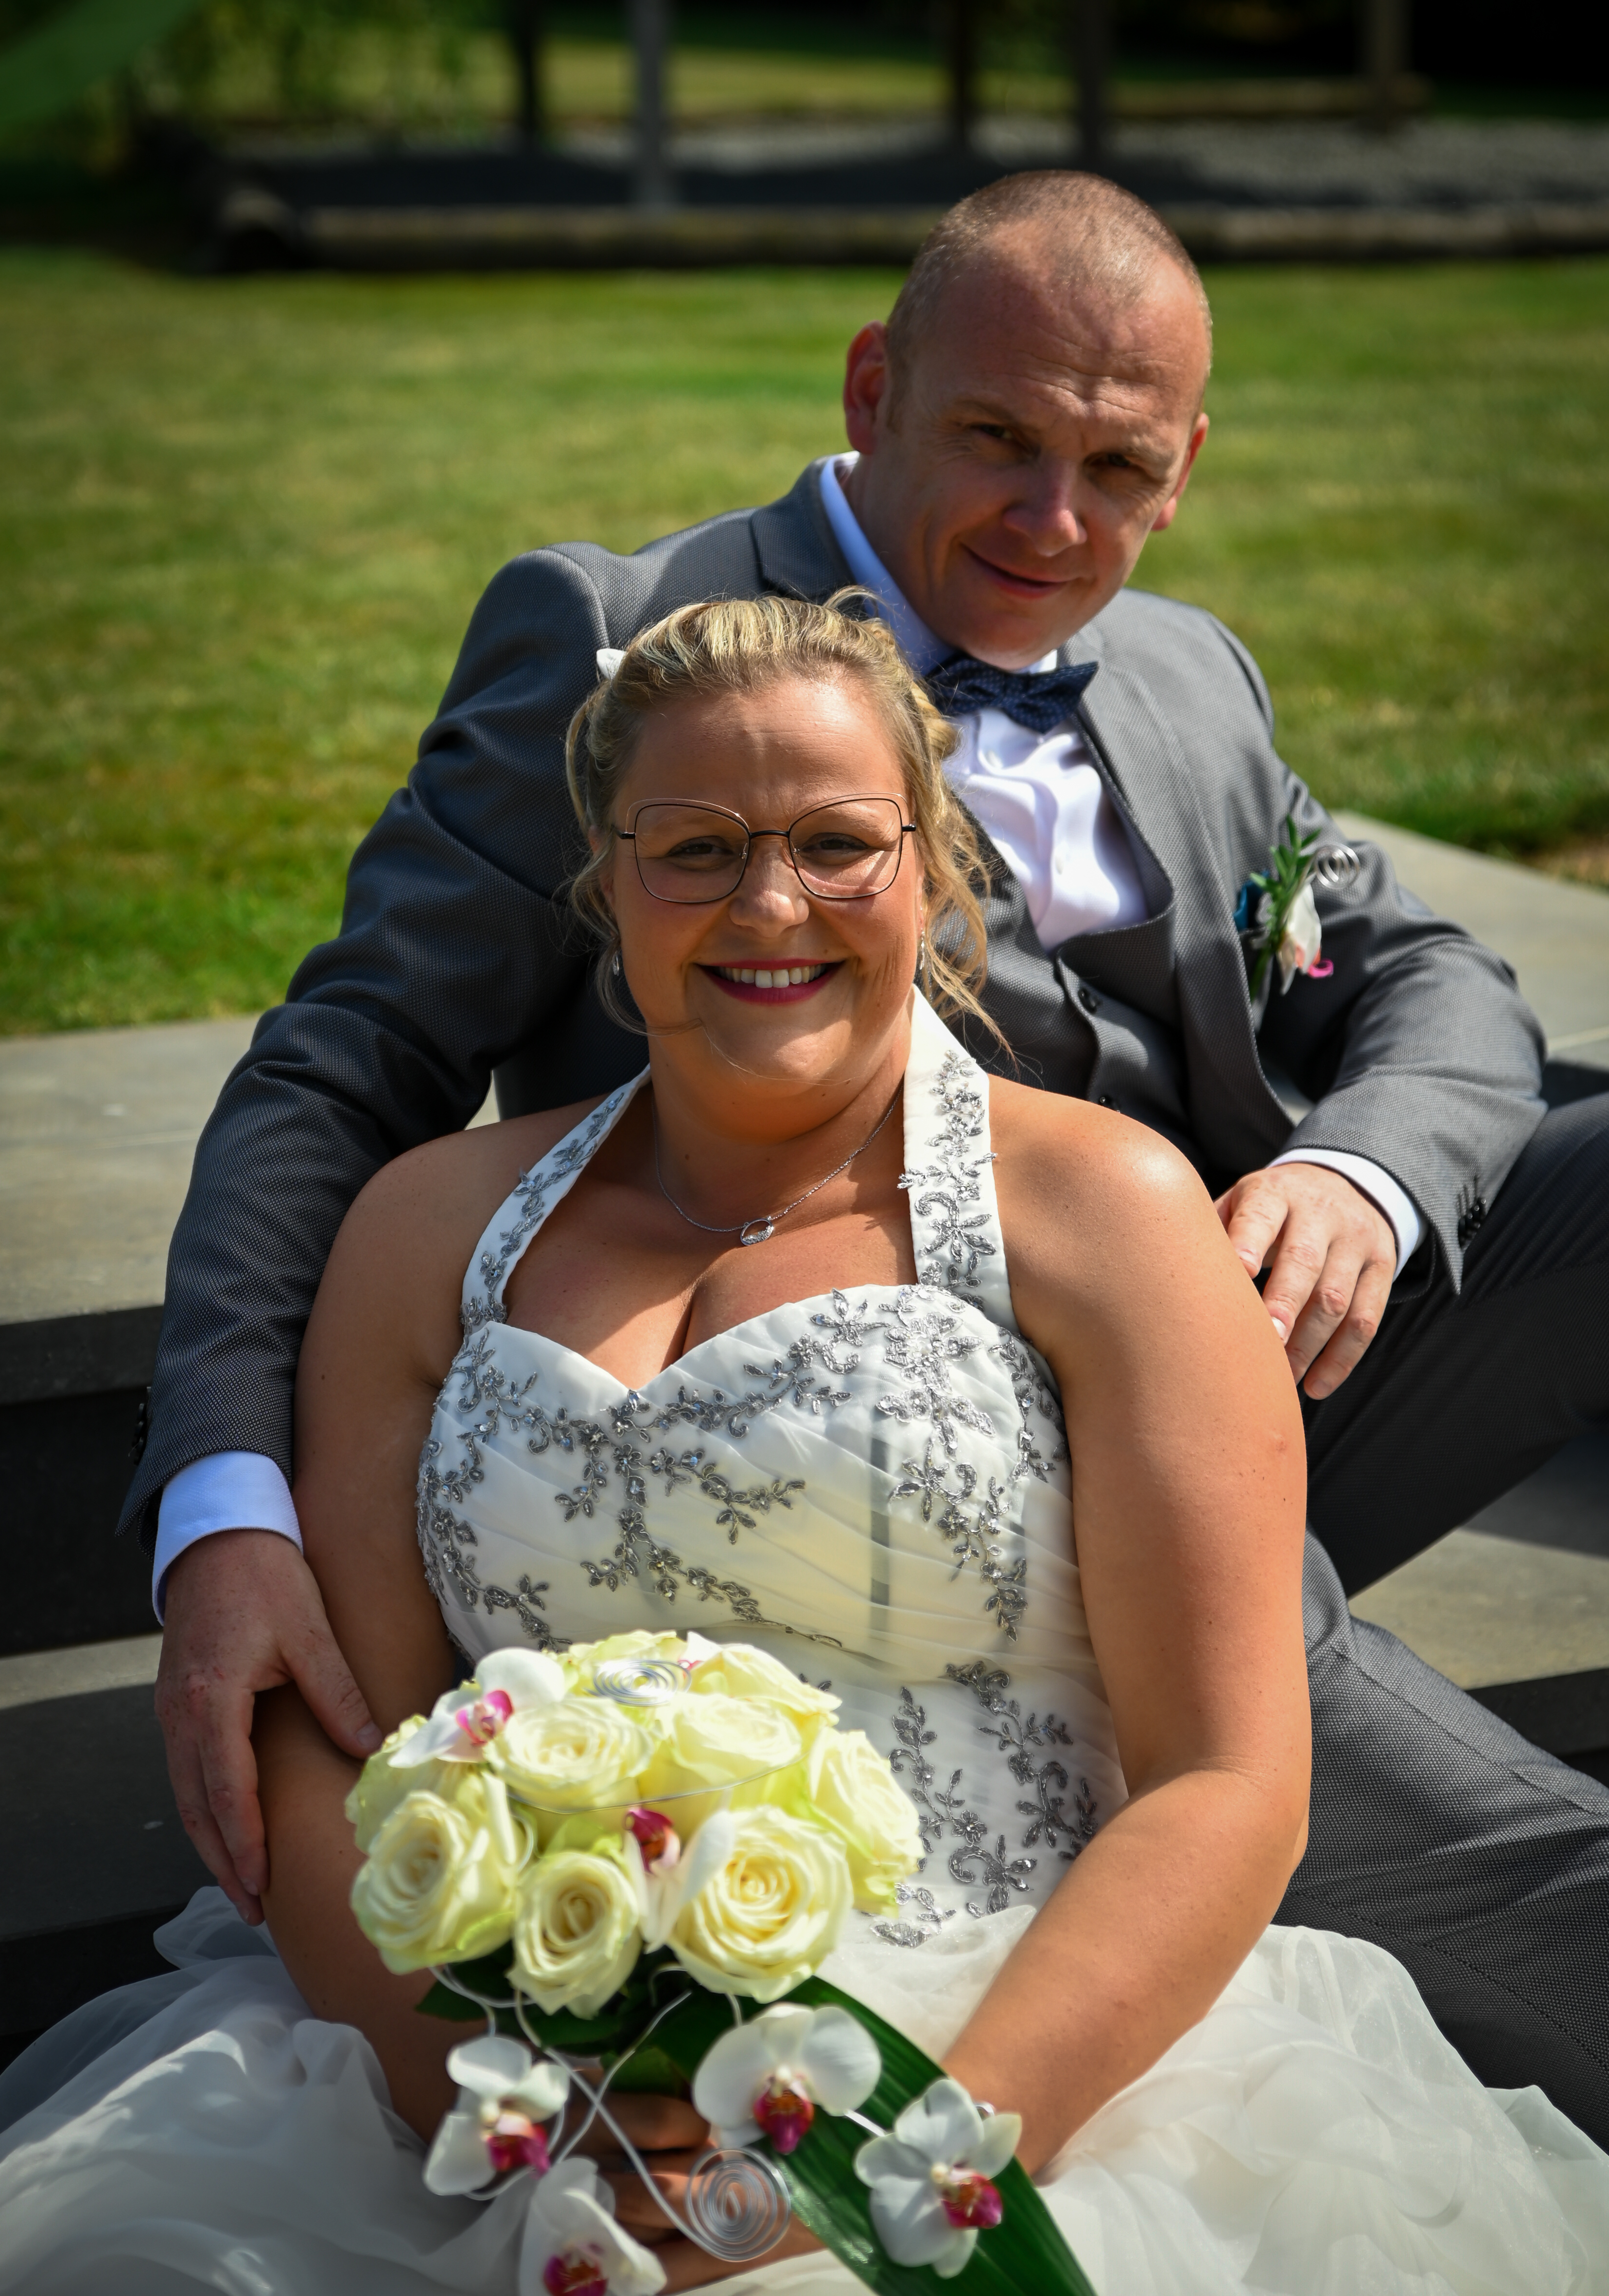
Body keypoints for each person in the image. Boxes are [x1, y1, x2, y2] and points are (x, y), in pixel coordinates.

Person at [133, 170, 1609, 2134]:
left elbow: (1420, 972)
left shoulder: (1183, 673)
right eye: (997, 438)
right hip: (917, 1468)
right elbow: (342, 1064)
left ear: (1184, 471)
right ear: (870, 388)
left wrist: (1364, 1175)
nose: (1053, 519)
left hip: (1221, 1348)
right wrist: (224, 1498)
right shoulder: (616, 637)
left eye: (1118, 465)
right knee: (1560, 1894)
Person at [4, 597, 1604, 2292]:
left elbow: (1227, 1779)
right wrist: (521, 2114)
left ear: (932, 871)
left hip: (1000, 2056)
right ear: (605, 891)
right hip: (511, 2078)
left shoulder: (1102, 1213)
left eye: (838, 844)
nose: (772, 904)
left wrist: (894, 2170)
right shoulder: (429, 1231)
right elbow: (342, 1737)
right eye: (696, 848)